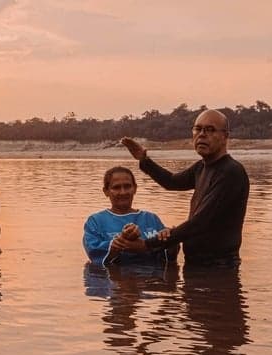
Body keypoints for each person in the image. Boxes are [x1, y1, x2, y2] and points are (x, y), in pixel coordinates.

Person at [120, 109, 249, 267]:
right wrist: (144, 160)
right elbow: (172, 182)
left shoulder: (230, 172)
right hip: (196, 263)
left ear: (225, 136)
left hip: (219, 266)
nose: (202, 134)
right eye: (198, 129)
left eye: (210, 130)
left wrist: (147, 245)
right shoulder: (202, 167)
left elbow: (200, 222)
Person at [83, 166, 175, 266]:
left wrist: (172, 238)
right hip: (113, 279)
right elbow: (93, 253)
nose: (123, 192)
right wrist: (117, 245)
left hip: (149, 279)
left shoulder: (151, 219)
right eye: (116, 187)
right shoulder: (95, 221)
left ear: (135, 188)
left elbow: (169, 258)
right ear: (106, 191)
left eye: (127, 186)